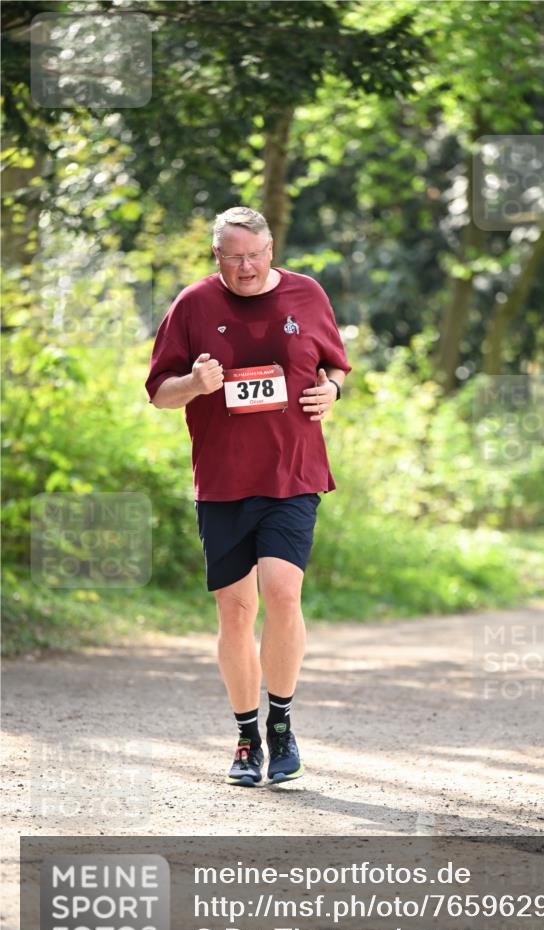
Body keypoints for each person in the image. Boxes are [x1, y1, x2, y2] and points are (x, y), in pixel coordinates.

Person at [144, 206, 351, 786]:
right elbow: (161, 392)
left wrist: (331, 391)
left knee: (283, 592)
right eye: (234, 257)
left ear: (270, 249)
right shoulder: (193, 305)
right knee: (236, 610)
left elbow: (336, 368)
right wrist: (195, 384)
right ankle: (245, 736)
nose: (247, 267)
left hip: (293, 473)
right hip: (224, 480)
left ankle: (281, 722)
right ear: (217, 256)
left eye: (256, 255)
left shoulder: (308, 295)